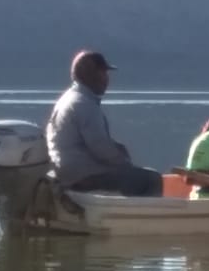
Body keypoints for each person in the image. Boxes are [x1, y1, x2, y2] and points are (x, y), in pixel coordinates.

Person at [46, 50, 163, 196]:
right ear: (91, 75)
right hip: (83, 175)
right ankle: (141, 218)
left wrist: (118, 149)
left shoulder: (68, 99)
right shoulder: (84, 104)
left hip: (66, 172)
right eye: (104, 73)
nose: (107, 79)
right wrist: (125, 162)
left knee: (135, 175)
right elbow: (100, 147)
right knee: (151, 179)